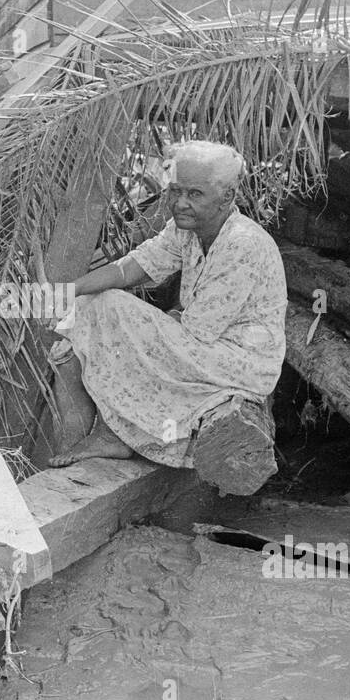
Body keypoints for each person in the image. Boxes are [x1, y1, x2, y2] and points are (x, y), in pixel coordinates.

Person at [47, 141, 287, 468]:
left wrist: (141, 325)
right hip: (202, 341)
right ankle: (84, 444)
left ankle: (112, 435)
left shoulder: (243, 245)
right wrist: (69, 290)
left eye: (195, 194)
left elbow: (198, 329)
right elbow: (133, 266)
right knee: (88, 313)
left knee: (113, 310)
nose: (181, 203)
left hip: (239, 360)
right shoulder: (186, 230)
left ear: (227, 197)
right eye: (175, 191)